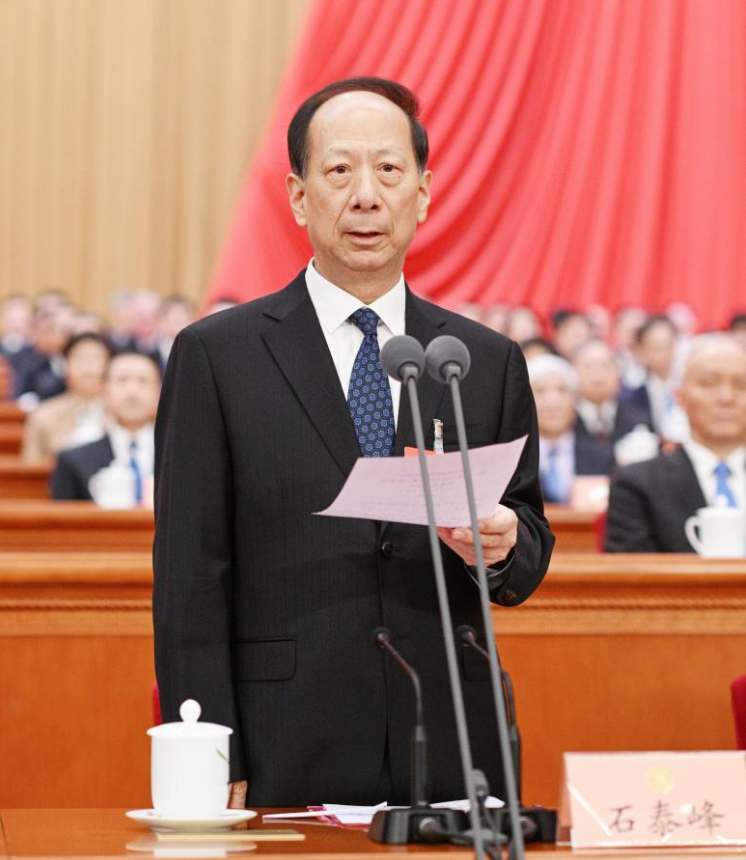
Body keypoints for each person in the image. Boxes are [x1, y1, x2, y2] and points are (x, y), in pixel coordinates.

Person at [153, 77, 554, 809]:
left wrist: (504, 545)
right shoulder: (219, 355)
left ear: (424, 195)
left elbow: (527, 540)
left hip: (453, 739)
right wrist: (210, 749)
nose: (366, 195)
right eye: (339, 171)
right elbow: (189, 575)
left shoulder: (482, 359)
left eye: (389, 171)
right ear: (300, 196)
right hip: (284, 739)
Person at [605, 335, 746, 552]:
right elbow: (631, 578)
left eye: (741, 385)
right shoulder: (636, 483)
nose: (726, 397)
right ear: (679, 395)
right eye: (709, 383)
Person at [51, 351, 160, 501]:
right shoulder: (74, 459)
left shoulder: (182, 457)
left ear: (160, 392)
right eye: (122, 381)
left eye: (143, 381)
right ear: (103, 392)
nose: (132, 391)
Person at [528, 354, 613, 504]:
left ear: (575, 400)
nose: (552, 401)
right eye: (540, 391)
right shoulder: (513, 461)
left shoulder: (602, 457)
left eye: (562, 390)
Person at [22, 333, 110, 462]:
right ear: (66, 365)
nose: (88, 366)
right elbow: (31, 470)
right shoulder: (43, 415)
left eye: (96, 358)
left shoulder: (123, 414)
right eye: (80, 358)